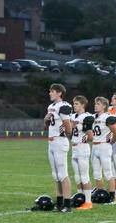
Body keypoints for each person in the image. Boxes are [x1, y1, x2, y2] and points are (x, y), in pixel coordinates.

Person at [44, 83, 73, 213]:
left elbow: (68, 127)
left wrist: (64, 136)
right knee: (56, 175)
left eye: (52, 91)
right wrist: (46, 121)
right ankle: (59, 203)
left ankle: (67, 204)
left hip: (60, 141)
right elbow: (47, 127)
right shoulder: (51, 107)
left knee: (63, 174)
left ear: (59, 93)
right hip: (51, 142)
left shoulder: (64, 106)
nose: (50, 93)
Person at [91, 97, 116, 204]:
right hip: (94, 146)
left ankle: (112, 197)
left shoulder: (108, 117)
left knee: (108, 172)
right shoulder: (93, 117)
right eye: (95, 103)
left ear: (104, 106)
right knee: (96, 173)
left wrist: (111, 142)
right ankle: (100, 195)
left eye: (98, 104)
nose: (95, 105)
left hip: (104, 146)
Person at [70, 95, 94, 210]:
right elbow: (69, 134)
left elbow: (90, 137)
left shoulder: (86, 117)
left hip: (82, 148)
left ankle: (88, 202)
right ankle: (81, 198)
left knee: (84, 176)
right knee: (77, 177)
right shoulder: (73, 116)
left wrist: (80, 140)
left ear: (83, 105)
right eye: (74, 104)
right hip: (74, 148)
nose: (74, 106)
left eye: (76, 104)